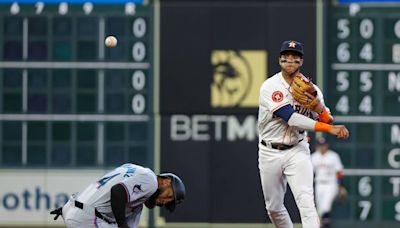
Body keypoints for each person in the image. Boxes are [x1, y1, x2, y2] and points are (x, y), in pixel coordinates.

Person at [257, 40, 349, 228]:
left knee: (306, 202)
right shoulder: (270, 86)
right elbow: (290, 118)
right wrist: (329, 129)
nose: (290, 61)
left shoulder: (311, 89)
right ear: (280, 60)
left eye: (295, 58)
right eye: (286, 57)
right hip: (269, 151)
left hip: (297, 149)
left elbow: (327, 118)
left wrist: (318, 106)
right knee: (273, 208)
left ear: (301, 62)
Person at [50, 163, 186, 228]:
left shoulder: (135, 173)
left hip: (75, 208)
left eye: (168, 203)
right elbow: (117, 192)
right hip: (87, 217)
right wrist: (122, 226)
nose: (164, 202)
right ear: (167, 182)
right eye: (169, 196)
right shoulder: (151, 181)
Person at [311, 137, 347, 228]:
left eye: (323, 145)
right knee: (319, 209)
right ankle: (323, 225)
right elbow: (310, 172)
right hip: (319, 184)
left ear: (327, 145)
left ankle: (324, 225)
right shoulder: (314, 157)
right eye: (320, 145)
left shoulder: (333, 156)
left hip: (331, 184)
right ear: (317, 146)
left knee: (325, 206)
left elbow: (339, 172)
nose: (322, 147)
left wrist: (341, 186)